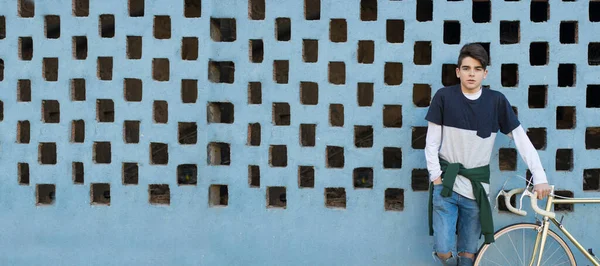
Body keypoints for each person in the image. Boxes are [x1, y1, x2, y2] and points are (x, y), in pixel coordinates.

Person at [424, 43, 552, 266]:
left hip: (476, 189)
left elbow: (522, 140)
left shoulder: (496, 101)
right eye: (466, 68)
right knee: (443, 248)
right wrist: (436, 177)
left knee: (468, 253)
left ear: (485, 72)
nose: (471, 73)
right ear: (458, 72)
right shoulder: (444, 97)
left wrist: (539, 177)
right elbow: (431, 142)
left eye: (477, 68)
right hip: (446, 185)